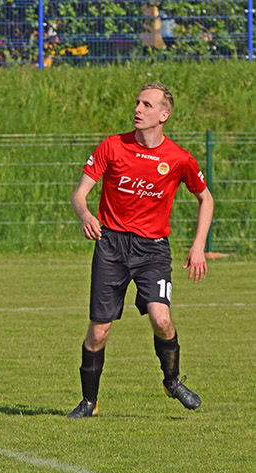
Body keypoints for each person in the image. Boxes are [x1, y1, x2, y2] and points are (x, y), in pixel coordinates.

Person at [68, 82, 214, 418]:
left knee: (161, 319)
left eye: (147, 105)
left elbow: (205, 198)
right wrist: (86, 214)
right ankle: (89, 402)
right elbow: (80, 195)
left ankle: (172, 381)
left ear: (163, 115)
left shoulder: (179, 159)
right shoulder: (113, 146)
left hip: (153, 250)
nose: (137, 109)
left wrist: (198, 246)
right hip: (112, 246)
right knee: (99, 329)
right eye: (137, 102)